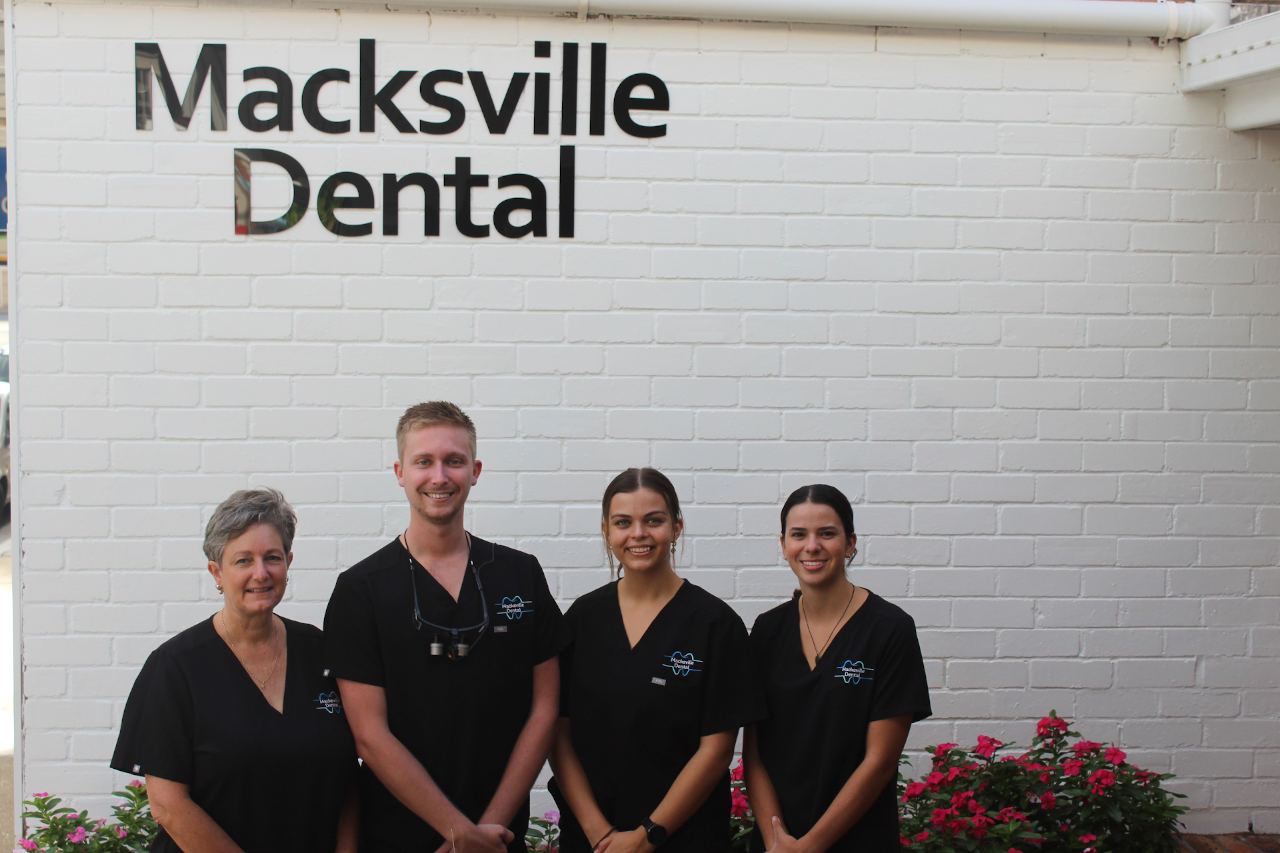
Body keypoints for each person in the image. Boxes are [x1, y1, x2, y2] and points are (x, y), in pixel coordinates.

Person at [323, 401, 565, 853]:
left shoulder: (519, 574)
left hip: (499, 835)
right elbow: (369, 736)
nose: (439, 476)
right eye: (423, 462)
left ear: (474, 471)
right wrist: (459, 833)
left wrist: (485, 832)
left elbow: (544, 709)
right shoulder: (361, 590)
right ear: (400, 472)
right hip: (400, 835)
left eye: (454, 461)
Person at [111, 488, 358, 853]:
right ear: (217, 572)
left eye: (272, 557)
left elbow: (350, 778)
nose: (261, 573)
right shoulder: (175, 668)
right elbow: (168, 805)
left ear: (288, 562)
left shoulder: (322, 653)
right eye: (243, 560)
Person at [549, 467, 761, 853]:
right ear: (606, 531)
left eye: (654, 521)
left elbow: (715, 750)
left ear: (676, 527)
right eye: (623, 522)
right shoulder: (582, 619)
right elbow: (558, 735)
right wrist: (598, 832)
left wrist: (647, 836)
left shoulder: (716, 624)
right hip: (593, 840)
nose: (638, 534)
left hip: (685, 838)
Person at [743, 484, 931, 853]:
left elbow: (878, 762)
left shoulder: (889, 629)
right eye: (799, 534)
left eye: (827, 533)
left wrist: (809, 848)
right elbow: (754, 755)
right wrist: (776, 841)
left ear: (850, 543)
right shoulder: (767, 630)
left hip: (860, 840)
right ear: (783, 545)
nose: (811, 546)